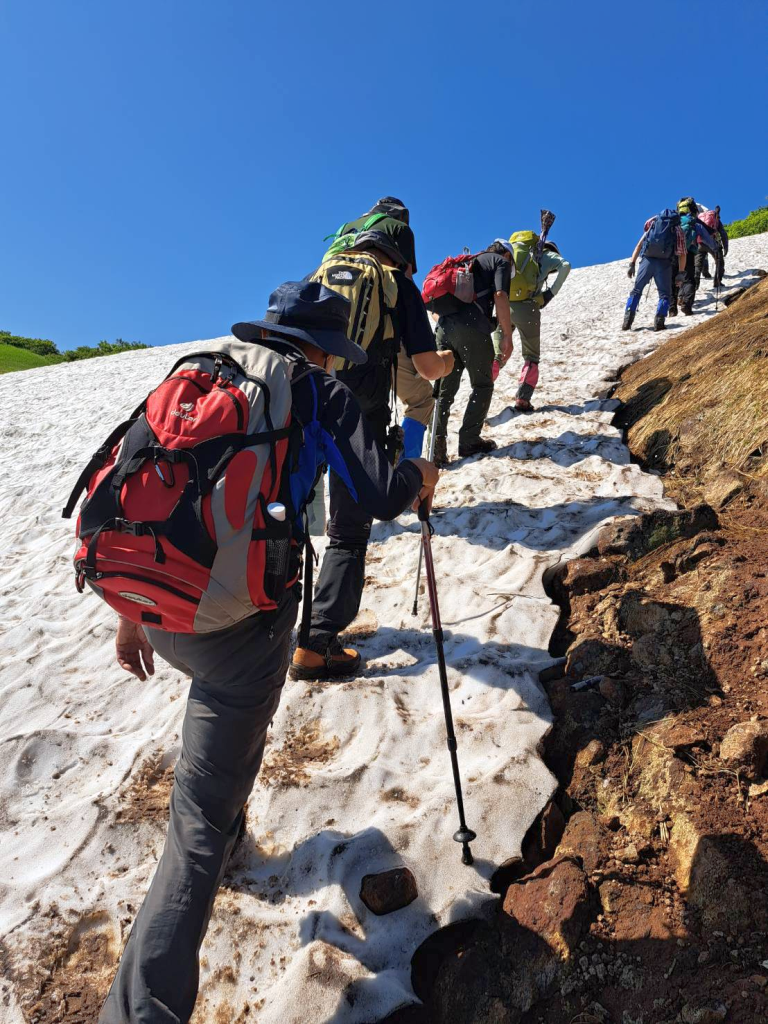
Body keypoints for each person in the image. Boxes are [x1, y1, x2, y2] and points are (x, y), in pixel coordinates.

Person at [98, 281, 439, 1024]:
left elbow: (137, 490)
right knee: (192, 829)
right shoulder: (317, 392)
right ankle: (138, 1013)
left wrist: (133, 614)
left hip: (154, 606)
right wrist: (420, 474)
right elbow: (378, 495)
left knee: (218, 769)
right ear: (321, 348)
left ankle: (231, 827)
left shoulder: (194, 370)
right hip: (239, 632)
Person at [291, 229, 452, 680]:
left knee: (283, 515)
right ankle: (317, 644)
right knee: (346, 533)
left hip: (305, 404)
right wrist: (449, 361)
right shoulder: (395, 284)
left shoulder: (319, 274)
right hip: (357, 417)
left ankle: (276, 629)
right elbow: (425, 367)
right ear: (397, 254)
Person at [433, 240, 515, 466]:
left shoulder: (467, 262)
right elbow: (500, 295)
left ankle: (436, 446)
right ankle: (469, 439)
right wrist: (506, 335)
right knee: (483, 384)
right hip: (473, 328)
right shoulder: (500, 262)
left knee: (444, 390)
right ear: (507, 255)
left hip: (444, 327)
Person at [492, 238, 571, 412]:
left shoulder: (519, 251)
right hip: (528, 308)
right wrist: (550, 293)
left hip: (505, 304)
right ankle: (523, 399)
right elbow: (565, 266)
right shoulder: (548, 255)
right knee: (531, 357)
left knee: (498, 353)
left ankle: (482, 387)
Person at [623, 209, 687, 331]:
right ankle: (659, 321)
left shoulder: (653, 223)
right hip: (664, 263)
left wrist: (632, 263)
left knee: (636, 290)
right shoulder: (678, 230)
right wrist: (681, 272)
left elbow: (639, 245)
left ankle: (627, 320)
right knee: (664, 294)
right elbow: (682, 254)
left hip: (647, 260)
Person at [675, 198, 718, 315]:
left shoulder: (675, 221)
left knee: (674, 279)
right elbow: (707, 236)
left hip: (673, 253)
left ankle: (672, 308)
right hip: (689, 252)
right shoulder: (693, 221)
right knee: (689, 279)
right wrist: (715, 248)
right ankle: (686, 305)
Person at [696, 205, 729, 290]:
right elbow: (723, 234)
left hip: (700, 244)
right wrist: (725, 248)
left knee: (697, 266)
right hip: (712, 243)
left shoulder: (700, 216)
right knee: (719, 262)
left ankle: (694, 286)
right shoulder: (716, 218)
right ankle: (717, 282)